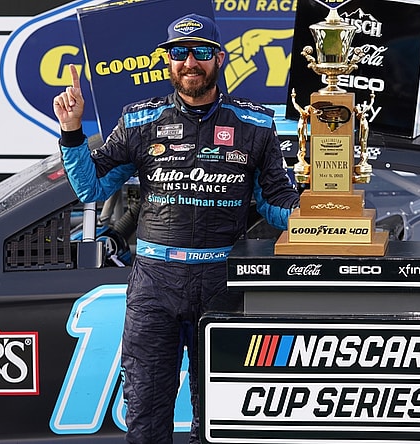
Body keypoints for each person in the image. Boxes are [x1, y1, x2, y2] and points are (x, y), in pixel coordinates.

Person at [52, 13, 300, 444]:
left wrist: (320, 216)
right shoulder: (138, 121)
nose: (190, 62)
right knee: (146, 414)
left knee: (222, 419)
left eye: (201, 52)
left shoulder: (255, 124)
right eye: (179, 53)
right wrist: (72, 131)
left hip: (225, 283)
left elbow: (275, 200)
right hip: (154, 286)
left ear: (219, 59)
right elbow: (91, 187)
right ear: (167, 61)